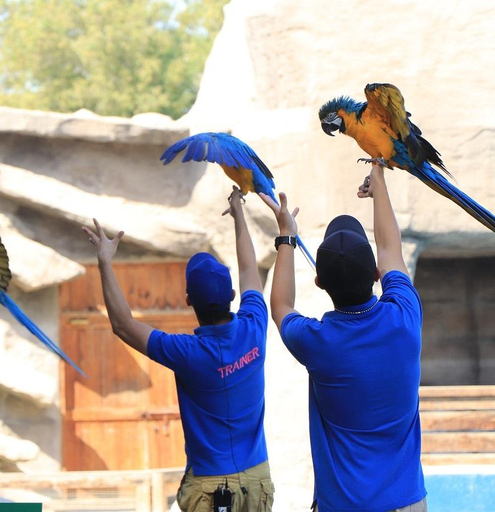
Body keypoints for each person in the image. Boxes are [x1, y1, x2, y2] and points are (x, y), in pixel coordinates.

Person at [82, 187, 274, 512]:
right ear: (231, 294)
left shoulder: (187, 353)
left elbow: (123, 324)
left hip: (210, 489)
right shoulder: (255, 326)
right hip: (257, 479)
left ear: (188, 301)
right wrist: (240, 215)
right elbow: (248, 272)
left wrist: (105, 262)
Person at [262, 163, 427, 512]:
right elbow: (390, 249)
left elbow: (280, 306)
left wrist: (286, 237)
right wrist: (378, 182)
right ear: (376, 274)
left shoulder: (316, 342)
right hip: (407, 503)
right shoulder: (405, 318)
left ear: (320, 284)